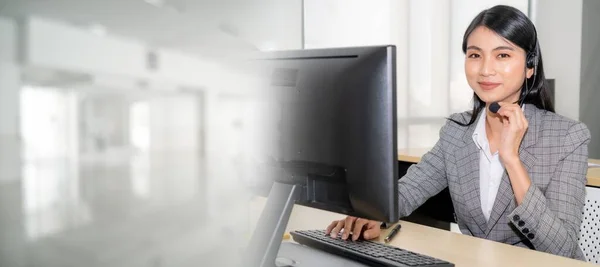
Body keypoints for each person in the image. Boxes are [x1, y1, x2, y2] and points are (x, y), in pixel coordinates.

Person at [325, 5, 590, 261]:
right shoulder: (457, 131)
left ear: (530, 65)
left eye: (503, 55)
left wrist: (512, 159)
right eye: (475, 55)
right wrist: (373, 213)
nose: (485, 69)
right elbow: (409, 190)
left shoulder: (567, 137)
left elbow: (562, 249)